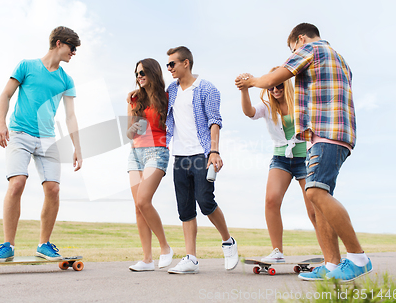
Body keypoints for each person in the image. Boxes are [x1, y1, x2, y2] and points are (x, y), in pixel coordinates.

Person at [235, 23, 372, 282]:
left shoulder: (311, 49)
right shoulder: (340, 58)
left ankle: (358, 258)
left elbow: (275, 77)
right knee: (319, 199)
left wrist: (251, 81)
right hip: (338, 133)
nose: (293, 52)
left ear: (300, 39)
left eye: (292, 48)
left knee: (316, 193)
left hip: (326, 133)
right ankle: (332, 264)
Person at [0, 26, 83, 262]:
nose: (74, 53)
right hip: (19, 133)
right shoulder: (27, 66)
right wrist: (1, 123)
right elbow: (5, 95)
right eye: (72, 48)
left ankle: (44, 244)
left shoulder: (66, 79)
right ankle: (7, 245)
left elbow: (70, 116)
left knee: (53, 188)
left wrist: (77, 148)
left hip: (47, 139)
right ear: (60, 43)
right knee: (17, 184)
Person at [165, 46, 239, 274]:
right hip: (179, 156)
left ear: (186, 63)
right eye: (168, 64)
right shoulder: (172, 90)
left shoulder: (207, 88)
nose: (169, 68)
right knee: (185, 209)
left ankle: (228, 241)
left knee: (205, 201)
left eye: (172, 64)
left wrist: (213, 152)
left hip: (200, 154)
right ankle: (191, 258)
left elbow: (214, 121)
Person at [239, 67, 321, 263]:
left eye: (279, 85)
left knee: (313, 209)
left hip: (305, 159)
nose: (275, 90)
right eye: (271, 87)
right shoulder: (267, 107)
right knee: (271, 201)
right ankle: (277, 252)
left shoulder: (302, 103)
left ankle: (329, 254)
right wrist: (244, 90)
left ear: (287, 85)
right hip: (281, 159)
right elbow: (249, 112)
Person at [126, 58, 174, 271]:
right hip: (135, 153)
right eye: (137, 73)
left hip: (157, 151)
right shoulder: (135, 98)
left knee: (144, 200)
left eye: (143, 72)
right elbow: (130, 132)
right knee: (138, 206)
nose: (139, 77)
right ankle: (147, 259)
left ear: (153, 73)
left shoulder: (167, 97)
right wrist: (134, 124)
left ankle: (165, 247)